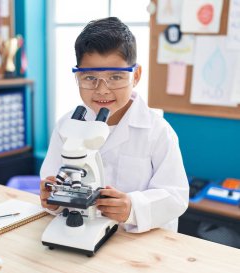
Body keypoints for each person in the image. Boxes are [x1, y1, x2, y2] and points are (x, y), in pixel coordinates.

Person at [39, 17, 189, 233]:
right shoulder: (66, 125)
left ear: (135, 75)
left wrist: (133, 208)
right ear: (77, 77)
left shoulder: (158, 131)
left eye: (116, 77)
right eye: (90, 78)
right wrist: (52, 201)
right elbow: (51, 183)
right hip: (81, 231)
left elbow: (176, 196)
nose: (102, 90)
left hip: (137, 243)